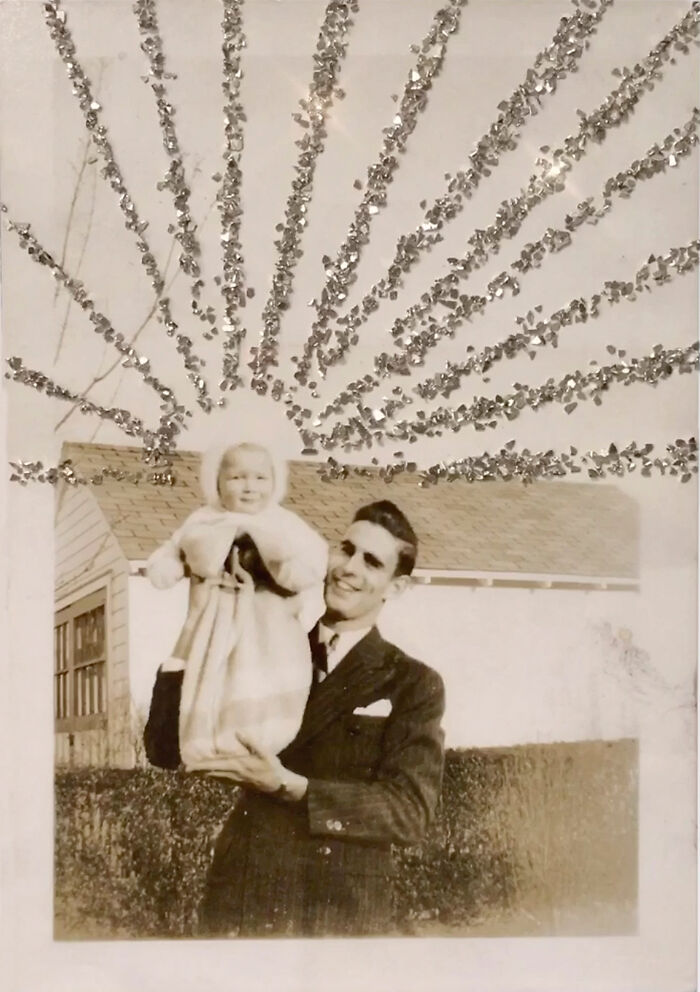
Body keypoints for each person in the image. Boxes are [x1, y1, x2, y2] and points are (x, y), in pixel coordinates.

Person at [145, 499, 446, 937]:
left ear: (395, 588)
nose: (348, 567)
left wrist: (290, 788)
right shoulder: (264, 645)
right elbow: (165, 750)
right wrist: (192, 624)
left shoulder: (413, 683)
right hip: (244, 900)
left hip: (338, 914)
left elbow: (408, 812)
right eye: (345, 549)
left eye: (372, 562)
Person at [145, 441, 327, 771]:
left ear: (275, 484)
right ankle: (213, 741)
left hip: (269, 620)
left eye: (260, 478)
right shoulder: (204, 518)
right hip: (217, 619)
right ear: (216, 483)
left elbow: (314, 558)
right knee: (214, 678)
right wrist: (170, 566)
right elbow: (172, 550)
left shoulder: (282, 521)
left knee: (268, 674)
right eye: (237, 477)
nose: (249, 486)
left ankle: (269, 733)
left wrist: (287, 568)